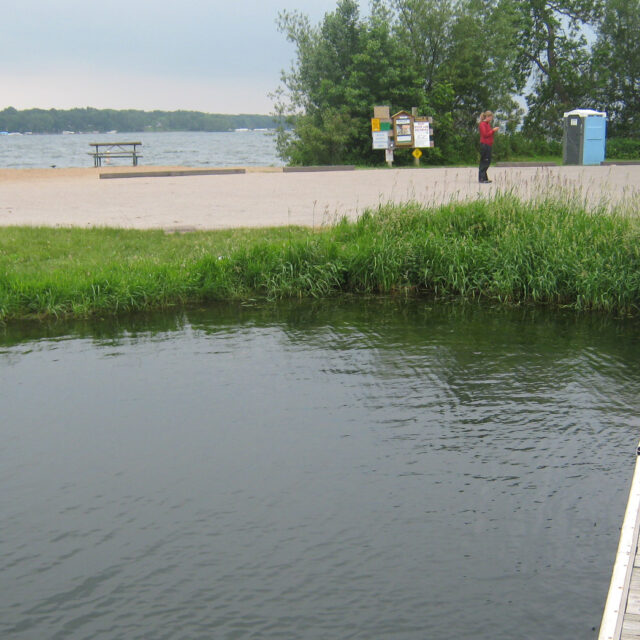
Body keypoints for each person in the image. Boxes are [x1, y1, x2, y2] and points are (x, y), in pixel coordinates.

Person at [478, 111, 499, 183]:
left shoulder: (487, 124)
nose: (491, 119)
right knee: (484, 161)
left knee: (487, 161)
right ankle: (481, 178)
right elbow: (485, 134)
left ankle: (485, 177)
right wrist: (493, 130)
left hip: (489, 145)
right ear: (487, 117)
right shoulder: (482, 124)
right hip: (485, 145)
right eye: (490, 117)